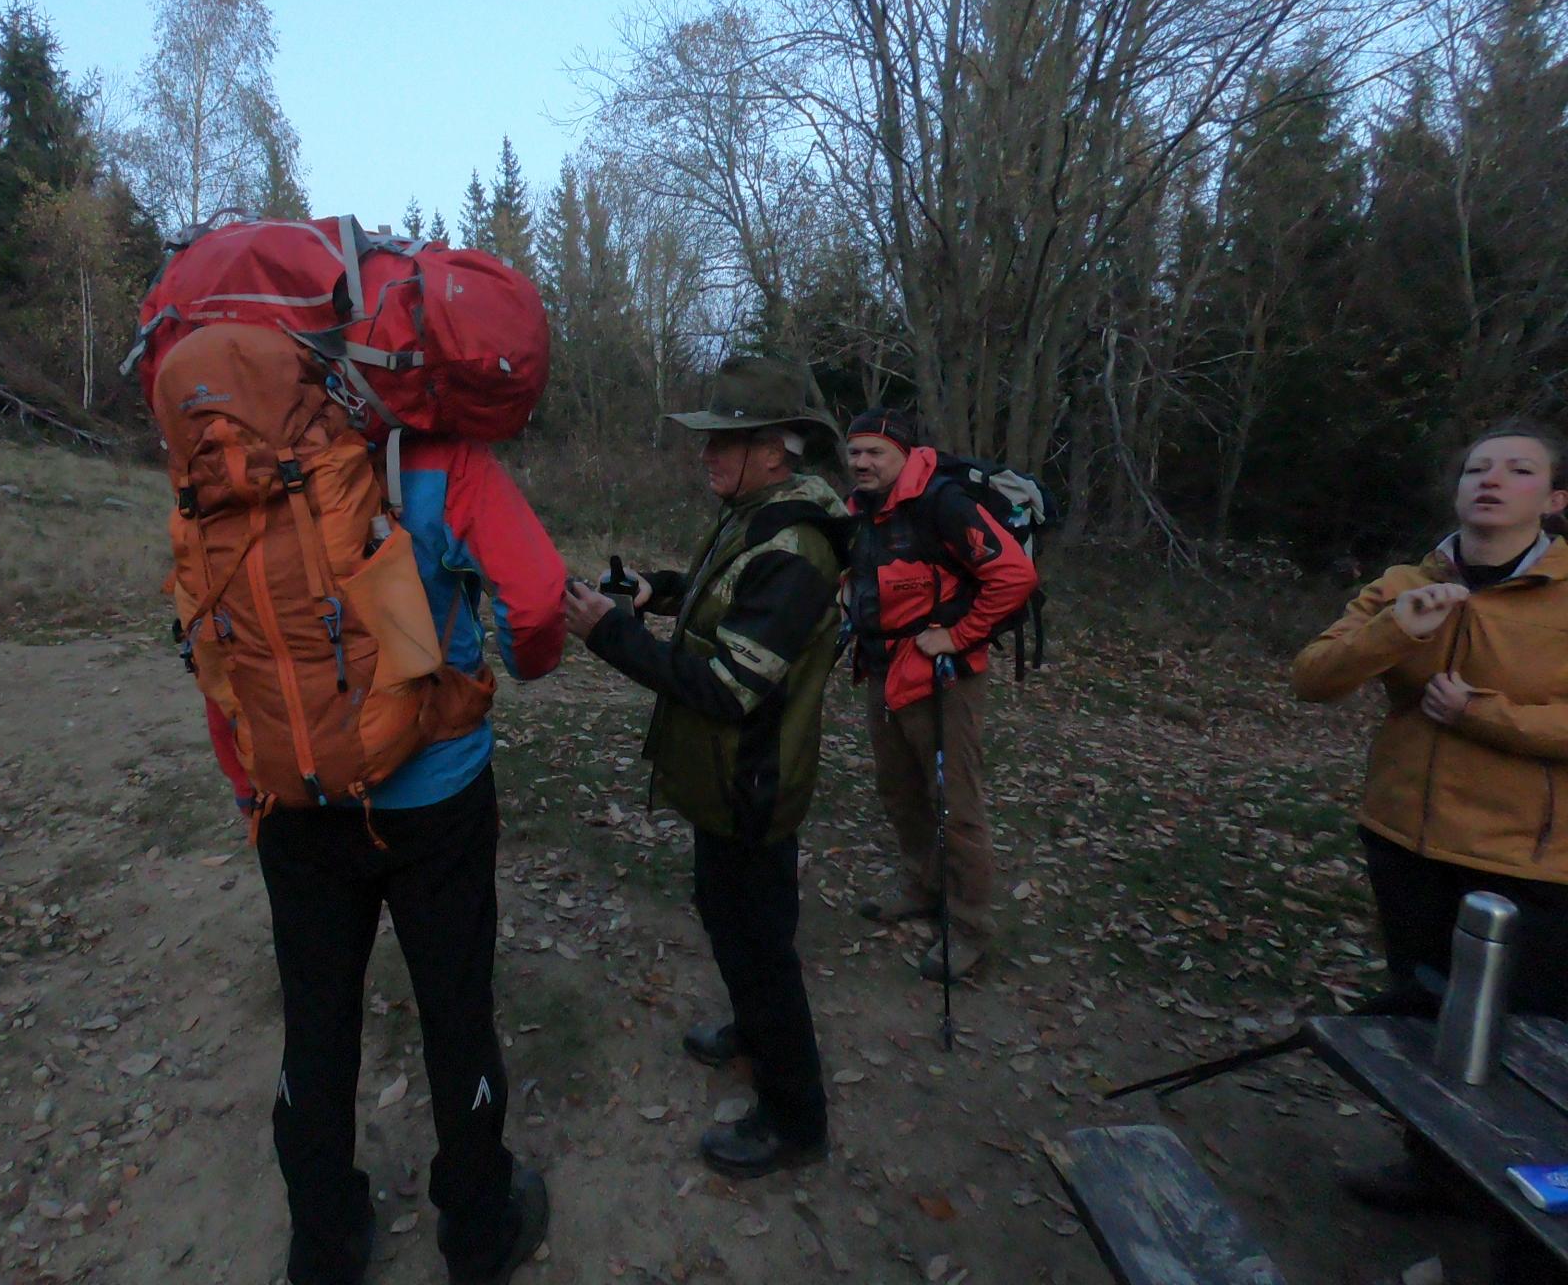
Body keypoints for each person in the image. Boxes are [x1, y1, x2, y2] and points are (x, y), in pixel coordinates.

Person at [205, 436, 566, 1285]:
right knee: (456, 1010)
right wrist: (523, 660)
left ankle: (322, 1245)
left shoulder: (228, 458)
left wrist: (247, 781)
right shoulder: (443, 460)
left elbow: (217, 639)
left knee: (316, 1020)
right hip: (436, 799)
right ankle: (477, 1233)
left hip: (297, 799)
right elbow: (538, 599)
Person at [562, 356, 851, 1179]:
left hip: (752, 783)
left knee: (761, 947)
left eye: (726, 440)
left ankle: (794, 1119)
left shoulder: (797, 547)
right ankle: (754, 1034)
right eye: (710, 439)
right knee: (727, 919)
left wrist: (610, 633)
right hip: (724, 781)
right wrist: (655, 591)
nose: (707, 454)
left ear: (776, 450)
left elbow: (728, 686)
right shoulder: (757, 515)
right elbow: (728, 597)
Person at [1293, 421, 1568, 1209]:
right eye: (1477, 468)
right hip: (1406, 837)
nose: (1492, 479)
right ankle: (1434, 1169)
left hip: (1528, 856)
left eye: (1518, 469)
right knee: (1424, 1017)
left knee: (1525, 1035)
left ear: (1554, 500)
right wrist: (1396, 628)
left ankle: (1522, 1197)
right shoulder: (1405, 582)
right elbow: (1312, 677)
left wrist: (1484, 714)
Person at [841, 409, 1038, 982]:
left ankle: (969, 926)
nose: (861, 463)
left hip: (942, 674)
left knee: (955, 803)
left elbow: (1015, 576)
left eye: (874, 452)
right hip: (882, 665)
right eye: (854, 452)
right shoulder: (860, 508)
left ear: (903, 454)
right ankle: (921, 887)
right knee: (900, 788)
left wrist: (957, 634)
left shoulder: (941, 503)